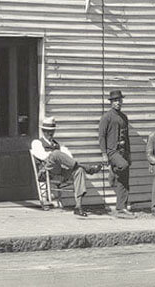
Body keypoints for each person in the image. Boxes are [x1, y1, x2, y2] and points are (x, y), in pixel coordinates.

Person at [31, 116, 102, 217]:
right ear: (43, 131)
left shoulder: (58, 145)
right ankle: (88, 168)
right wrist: (57, 154)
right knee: (55, 154)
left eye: (52, 131)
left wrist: (62, 156)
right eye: (47, 131)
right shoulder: (37, 143)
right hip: (46, 172)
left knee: (79, 170)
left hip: (59, 173)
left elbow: (69, 158)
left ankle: (78, 206)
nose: (50, 133)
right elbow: (43, 156)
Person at [98, 90, 135, 218]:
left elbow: (127, 137)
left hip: (123, 151)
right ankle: (113, 171)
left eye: (119, 100)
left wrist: (129, 153)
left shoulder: (124, 117)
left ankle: (121, 208)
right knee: (123, 167)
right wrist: (104, 153)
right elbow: (101, 136)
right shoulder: (106, 117)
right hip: (112, 151)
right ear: (111, 102)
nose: (118, 103)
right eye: (115, 101)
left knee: (124, 178)